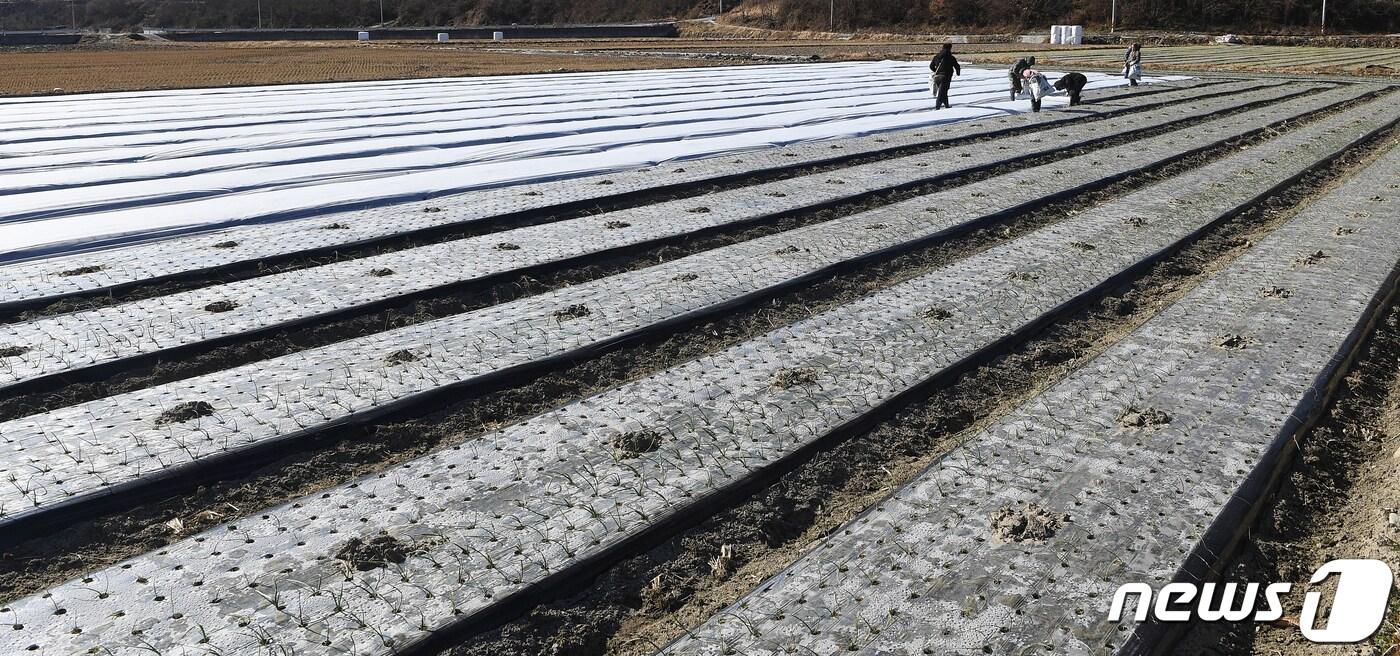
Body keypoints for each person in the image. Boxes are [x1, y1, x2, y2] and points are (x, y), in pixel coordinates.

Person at [928, 43, 961, 110]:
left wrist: (936, 71)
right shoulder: (951, 57)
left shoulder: (936, 56)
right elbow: (957, 66)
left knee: (943, 91)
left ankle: (947, 105)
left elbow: (931, 66)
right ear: (950, 48)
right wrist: (958, 73)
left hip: (937, 77)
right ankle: (937, 107)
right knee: (941, 93)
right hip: (946, 77)